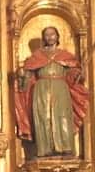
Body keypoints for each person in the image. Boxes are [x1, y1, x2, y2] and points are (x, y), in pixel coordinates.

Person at [14, 28, 88, 158]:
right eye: (47, 35)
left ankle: (65, 148)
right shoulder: (37, 56)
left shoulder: (65, 55)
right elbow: (27, 76)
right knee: (43, 117)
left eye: (52, 34)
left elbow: (72, 75)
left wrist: (78, 74)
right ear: (44, 38)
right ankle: (44, 150)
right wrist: (22, 75)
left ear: (57, 37)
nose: (50, 37)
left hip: (60, 88)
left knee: (63, 116)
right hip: (41, 89)